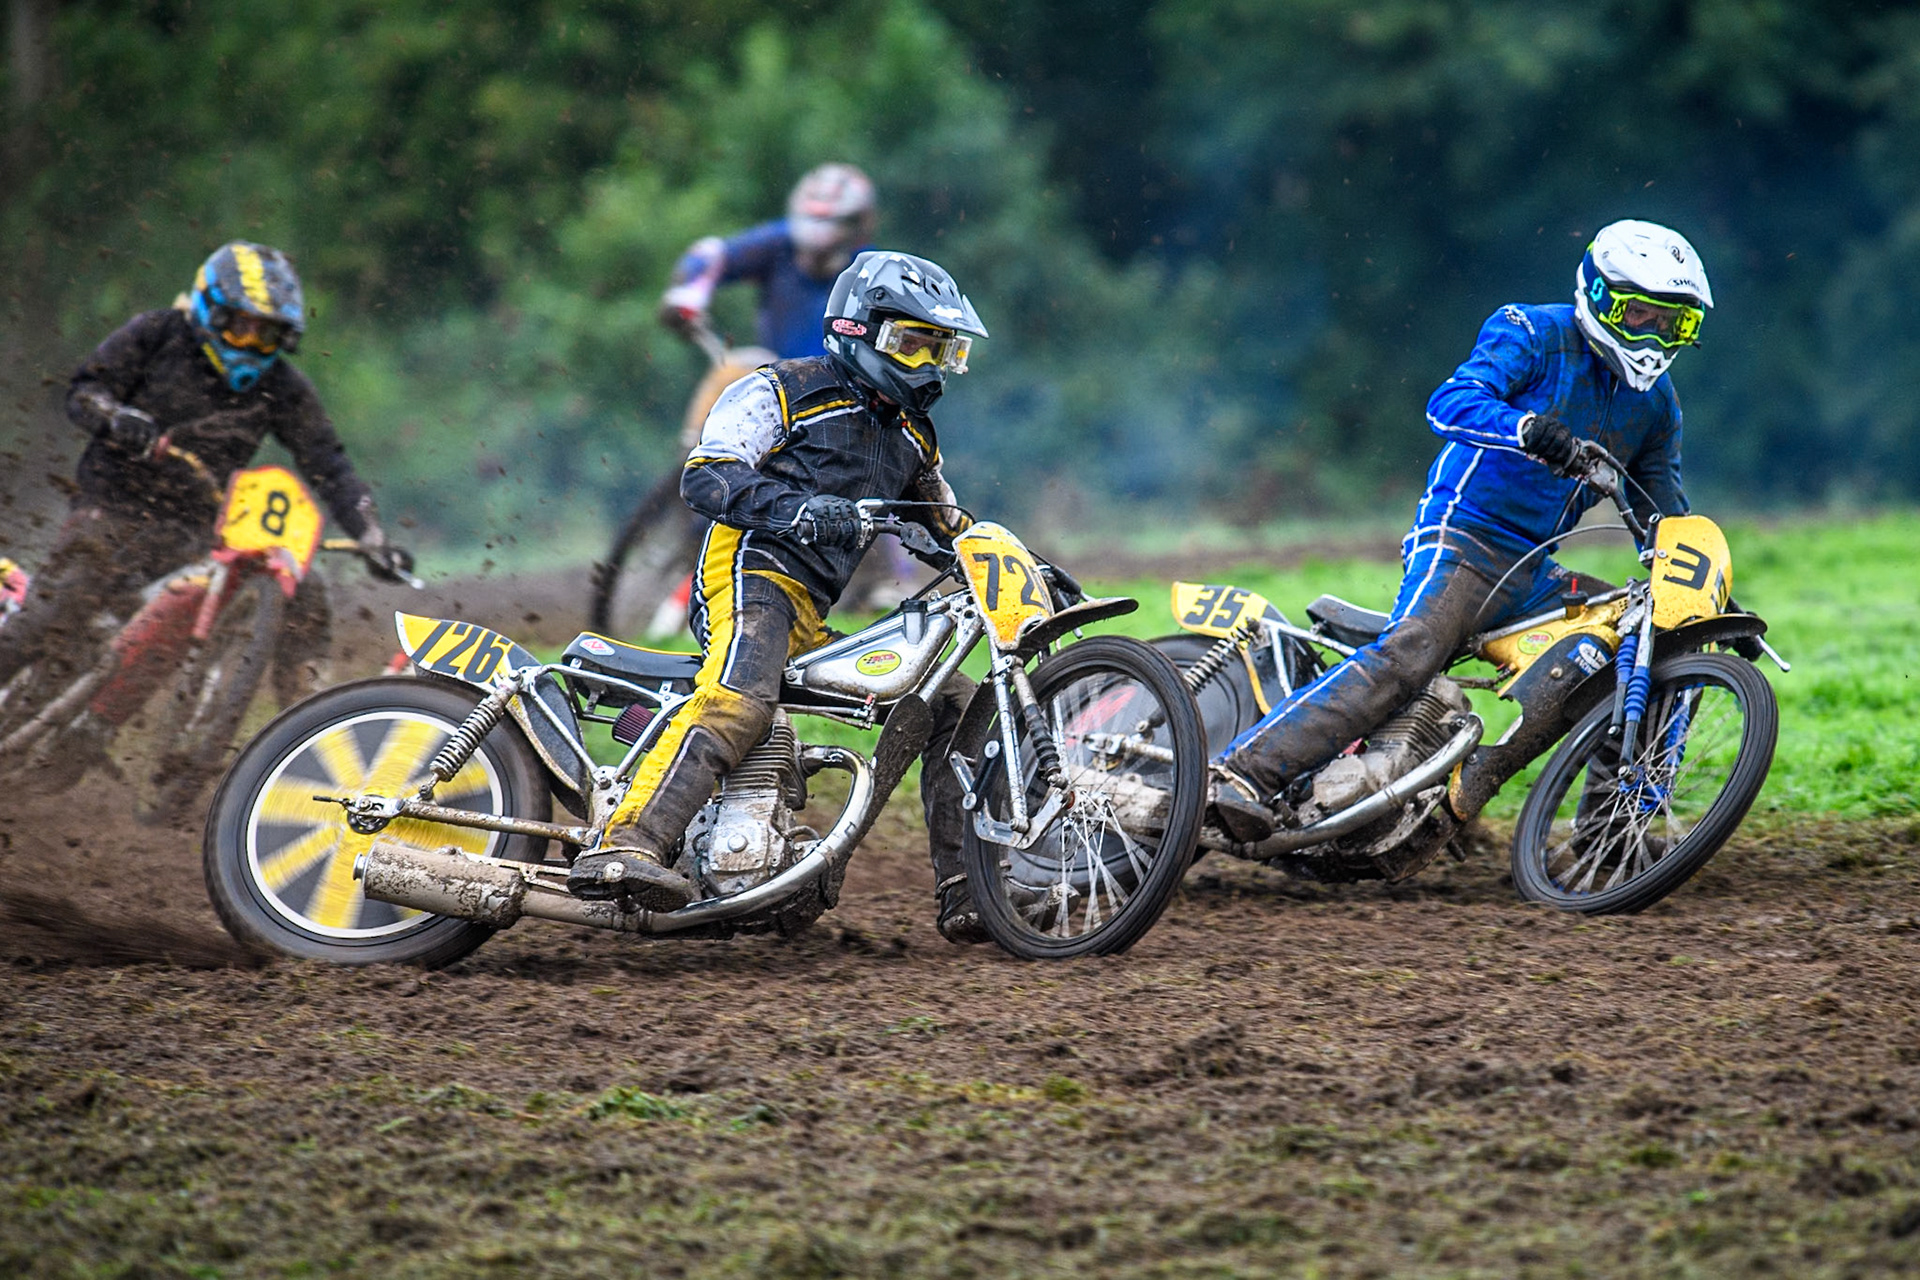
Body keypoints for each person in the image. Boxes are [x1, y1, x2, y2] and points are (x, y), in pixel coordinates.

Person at [1210, 219, 1714, 842]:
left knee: (1647, 639)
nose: (1656, 335)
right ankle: (1240, 775)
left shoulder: (1657, 404)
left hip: (1534, 571)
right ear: (1603, 295)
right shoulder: (1532, 331)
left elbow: (1661, 508)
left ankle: (1611, 832)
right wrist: (1527, 429)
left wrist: (1701, 592)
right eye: (1644, 315)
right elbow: (1450, 402)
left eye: (1675, 324)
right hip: (1464, 538)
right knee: (1412, 652)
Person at [571, 250, 993, 943]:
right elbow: (706, 478)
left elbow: (951, 531)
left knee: (956, 700)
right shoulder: (779, 389)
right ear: (859, 330)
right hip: (749, 577)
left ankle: (968, 888)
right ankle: (626, 844)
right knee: (741, 698)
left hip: (813, 618)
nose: (926, 365)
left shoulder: (914, 438)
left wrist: (1027, 568)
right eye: (911, 344)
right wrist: (801, 509)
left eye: (939, 350)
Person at [0, 241, 412, 747]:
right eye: (241, 327)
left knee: (308, 589)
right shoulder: (156, 334)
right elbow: (84, 392)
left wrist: (371, 535)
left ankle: (314, 732)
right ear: (208, 309)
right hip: (111, 512)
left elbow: (328, 463)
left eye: (269, 336)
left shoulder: (283, 386)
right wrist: (115, 417)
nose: (252, 344)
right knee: (53, 610)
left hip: (200, 532)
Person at [658, 162, 878, 360]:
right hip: (776, 382)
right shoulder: (777, 245)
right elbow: (711, 255)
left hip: (848, 388)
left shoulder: (871, 272)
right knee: (738, 368)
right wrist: (688, 296)